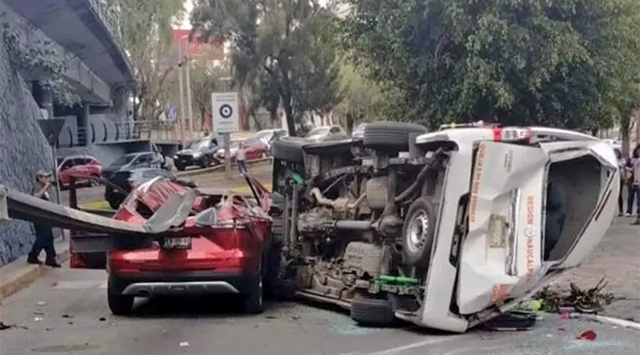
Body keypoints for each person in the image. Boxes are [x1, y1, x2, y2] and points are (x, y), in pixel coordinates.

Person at [27, 170, 61, 267]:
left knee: (49, 237)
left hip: (45, 216)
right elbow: (35, 198)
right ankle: (33, 255)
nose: (47, 179)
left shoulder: (43, 188)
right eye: (45, 177)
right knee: (42, 238)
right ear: (40, 178)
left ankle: (51, 258)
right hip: (38, 217)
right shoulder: (38, 187)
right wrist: (46, 187)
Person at [627, 144, 640, 225]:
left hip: (638, 182)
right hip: (636, 182)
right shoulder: (637, 160)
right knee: (638, 201)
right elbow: (634, 171)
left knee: (639, 201)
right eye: (638, 151)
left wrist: (637, 182)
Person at [616, 149, 627, 216]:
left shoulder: (622, 160)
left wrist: (625, 178)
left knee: (620, 194)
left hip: (620, 178)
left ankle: (621, 210)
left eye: (617, 153)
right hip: (614, 179)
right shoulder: (613, 159)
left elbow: (624, 168)